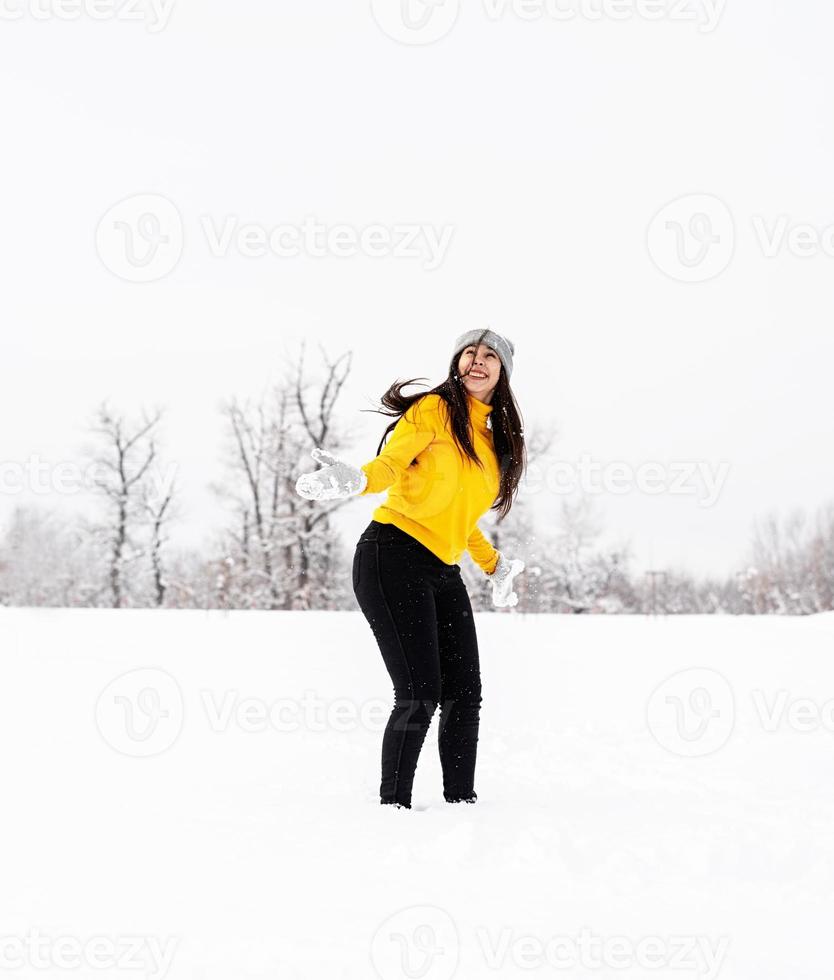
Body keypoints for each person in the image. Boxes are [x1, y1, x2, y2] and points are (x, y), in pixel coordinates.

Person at [295, 328, 526, 809]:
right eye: (469, 353)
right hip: (392, 553)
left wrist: (495, 565)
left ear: (503, 371)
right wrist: (357, 480)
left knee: (465, 691)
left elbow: (460, 519)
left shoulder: (490, 443)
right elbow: (389, 467)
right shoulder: (433, 411)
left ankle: (462, 803)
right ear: (456, 362)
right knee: (420, 690)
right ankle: (394, 806)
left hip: (442, 568)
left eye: (489, 356)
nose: (476, 361)